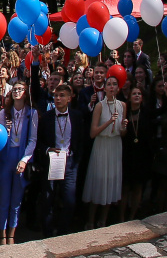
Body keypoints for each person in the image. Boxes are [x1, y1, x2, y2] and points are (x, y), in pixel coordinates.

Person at [36, 83, 88, 238]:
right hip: (52, 161)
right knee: (48, 197)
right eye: (56, 96)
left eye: (62, 96)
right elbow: (38, 140)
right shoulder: (46, 117)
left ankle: (64, 231)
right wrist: (48, 150)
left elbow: (81, 139)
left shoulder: (77, 116)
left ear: (69, 98)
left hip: (70, 162)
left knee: (69, 199)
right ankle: (47, 231)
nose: (58, 98)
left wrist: (76, 159)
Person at [0, 81, 38, 245]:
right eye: (14, 89)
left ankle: (12, 233)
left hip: (21, 156)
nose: (17, 92)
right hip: (6, 156)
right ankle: (2, 234)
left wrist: (24, 160)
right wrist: (5, 131)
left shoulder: (31, 113)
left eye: (20, 89)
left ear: (25, 93)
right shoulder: (4, 113)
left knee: (17, 199)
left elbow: (33, 140)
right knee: (4, 198)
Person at [83, 75, 125, 228]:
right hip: (101, 145)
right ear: (105, 88)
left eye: (115, 84)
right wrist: (109, 122)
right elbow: (93, 133)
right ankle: (90, 220)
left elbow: (122, 132)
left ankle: (103, 220)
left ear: (118, 88)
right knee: (99, 182)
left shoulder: (122, 106)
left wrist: (124, 126)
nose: (112, 87)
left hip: (115, 145)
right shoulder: (100, 106)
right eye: (109, 84)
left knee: (111, 182)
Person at [119, 85, 156, 221]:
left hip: (142, 154)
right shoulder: (125, 112)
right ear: (129, 97)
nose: (137, 96)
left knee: (138, 187)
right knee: (125, 187)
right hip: (127, 153)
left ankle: (132, 216)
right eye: (134, 93)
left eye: (139, 94)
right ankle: (121, 217)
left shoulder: (146, 113)